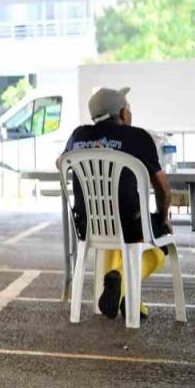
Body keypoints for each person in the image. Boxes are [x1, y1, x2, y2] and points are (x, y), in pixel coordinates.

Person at [60, 87, 174, 320]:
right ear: (123, 113)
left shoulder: (78, 136)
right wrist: (163, 217)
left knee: (115, 226)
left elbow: (59, 163)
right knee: (157, 236)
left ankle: (129, 301)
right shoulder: (138, 137)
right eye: (128, 108)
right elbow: (162, 187)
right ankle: (120, 280)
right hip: (129, 224)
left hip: (88, 224)